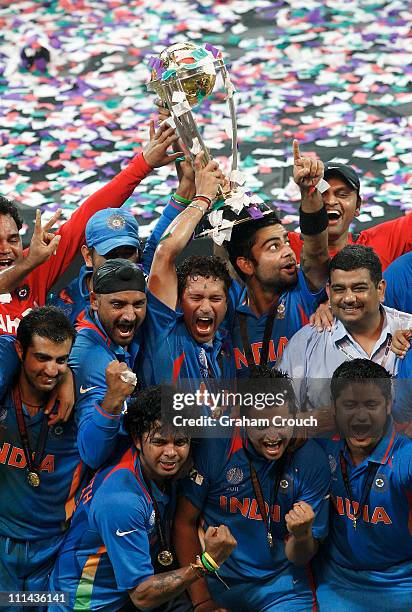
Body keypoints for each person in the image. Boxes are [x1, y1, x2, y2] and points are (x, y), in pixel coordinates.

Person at [48, 385, 237, 612]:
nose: (170, 453)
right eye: (159, 442)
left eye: (180, 442)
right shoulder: (122, 501)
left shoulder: (151, 465)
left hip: (124, 596)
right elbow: (142, 596)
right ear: (137, 440)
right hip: (87, 603)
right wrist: (207, 562)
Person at [0, 121, 181, 335]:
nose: (5, 249)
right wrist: (29, 263)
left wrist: (143, 164)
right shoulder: (31, 263)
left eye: (13, 239)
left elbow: (85, 217)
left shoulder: (33, 267)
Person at [173, 368, 330, 612]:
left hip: (282, 587)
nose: (272, 435)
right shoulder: (217, 444)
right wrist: (202, 600)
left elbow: (301, 556)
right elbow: (184, 522)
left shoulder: (310, 460)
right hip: (217, 583)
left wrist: (302, 535)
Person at [48, 141, 197, 326]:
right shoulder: (65, 308)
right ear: (88, 255)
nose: (120, 264)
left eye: (127, 253)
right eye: (111, 255)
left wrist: (188, 180)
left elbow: (163, 237)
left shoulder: (143, 272)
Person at [0, 307, 88, 607]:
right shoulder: (4, 393)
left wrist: (72, 376)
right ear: (20, 350)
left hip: (53, 549)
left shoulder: (81, 408)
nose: (52, 370)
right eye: (43, 358)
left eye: (61, 360)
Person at [225, 140, 329, 378]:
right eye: (273, 246)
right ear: (246, 264)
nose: (288, 252)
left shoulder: (303, 293)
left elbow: (316, 250)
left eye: (286, 242)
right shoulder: (228, 308)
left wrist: (309, 193)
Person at [315, 359, 412, 611]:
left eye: (371, 405)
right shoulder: (323, 448)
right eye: (349, 405)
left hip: (402, 584)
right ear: (334, 408)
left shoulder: (405, 456)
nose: (360, 417)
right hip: (338, 584)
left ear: (389, 405)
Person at [279, 245, 412, 428]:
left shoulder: (409, 331)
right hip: (326, 455)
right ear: (328, 291)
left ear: (380, 289)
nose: (349, 298)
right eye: (339, 289)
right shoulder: (305, 344)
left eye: (358, 288)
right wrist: (311, 422)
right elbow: (274, 418)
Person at [139, 152, 235, 385]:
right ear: (179, 302)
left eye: (215, 298)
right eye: (195, 297)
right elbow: (163, 252)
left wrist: (225, 203)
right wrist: (202, 198)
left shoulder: (224, 348)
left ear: (226, 303)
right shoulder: (164, 331)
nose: (205, 307)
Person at [69, 258, 147, 469]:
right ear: (94, 300)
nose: (130, 316)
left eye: (138, 304)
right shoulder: (90, 358)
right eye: (118, 305)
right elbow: (92, 454)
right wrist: (113, 400)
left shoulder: (115, 332)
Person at [288, 161, 412, 271]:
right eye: (321, 194)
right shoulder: (284, 246)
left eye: (342, 194)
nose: (331, 201)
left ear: (358, 206)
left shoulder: (382, 243)